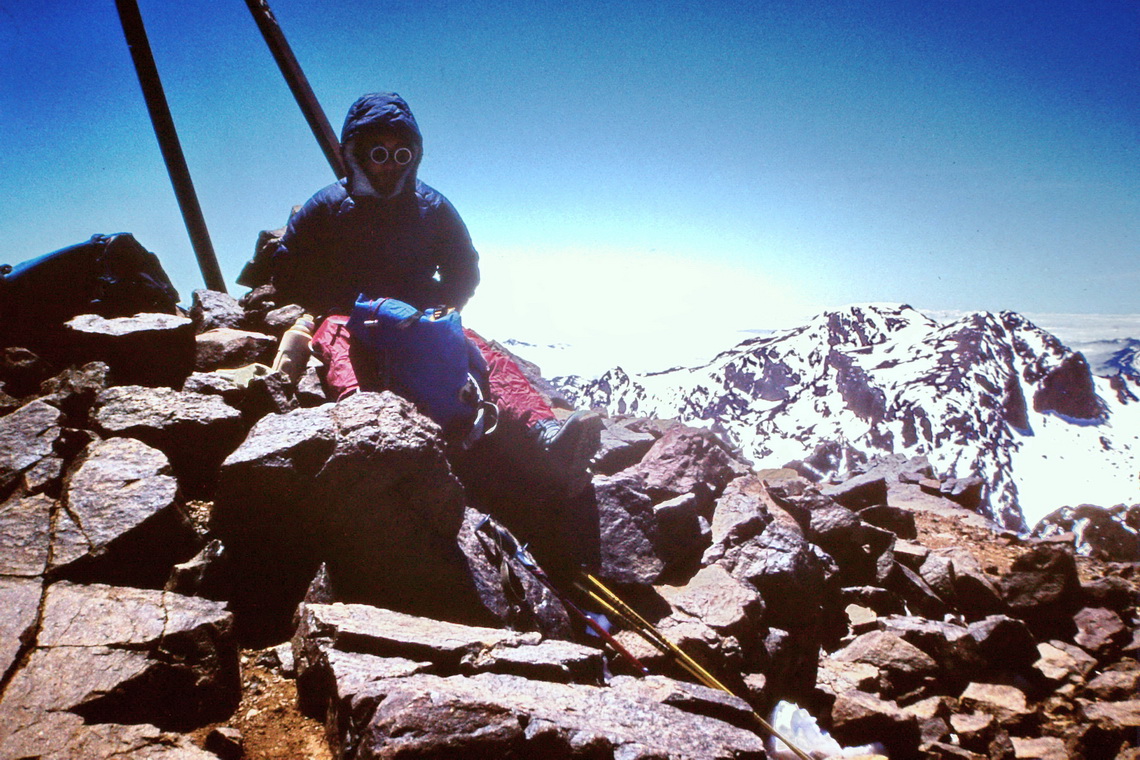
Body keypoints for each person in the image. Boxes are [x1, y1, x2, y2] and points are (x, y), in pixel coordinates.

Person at [271, 92, 599, 486]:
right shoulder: (327, 206)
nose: (389, 164)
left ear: (414, 153)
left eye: (400, 153)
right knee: (341, 346)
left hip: (419, 313)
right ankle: (366, 434)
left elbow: (464, 267)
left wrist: (441, 310)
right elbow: (288, 266)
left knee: (481, 354)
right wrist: (331, 303)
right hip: (350, 314)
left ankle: (543, 431)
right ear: (356, 152)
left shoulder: (431, 206)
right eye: (378, 152)